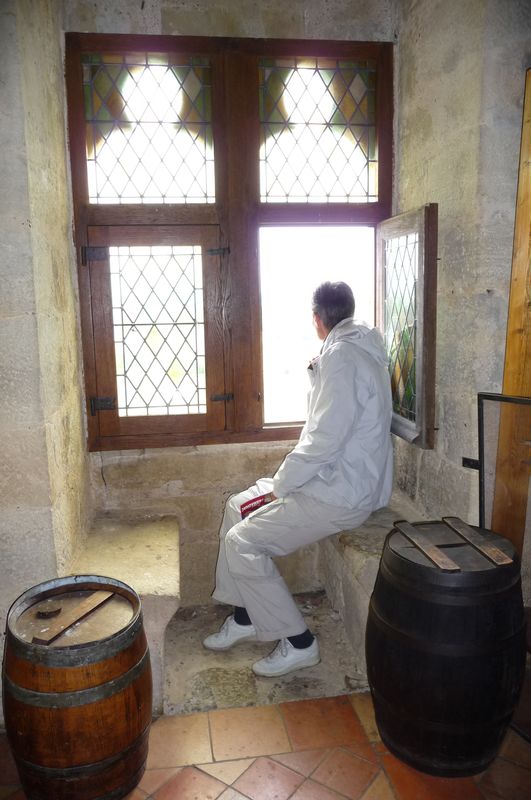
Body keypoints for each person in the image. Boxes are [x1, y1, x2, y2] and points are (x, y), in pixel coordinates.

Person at [203, 281, 393, 677]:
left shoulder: (342, 356)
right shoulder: (359, 349)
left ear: (317, 319)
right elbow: (339, 420)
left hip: (339, 493)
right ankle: (246, 617)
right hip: (339, 480)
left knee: (242, 542)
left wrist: (282, 486)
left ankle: (299, 642)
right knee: (236, 507)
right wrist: (316, 375)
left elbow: (324, 439)